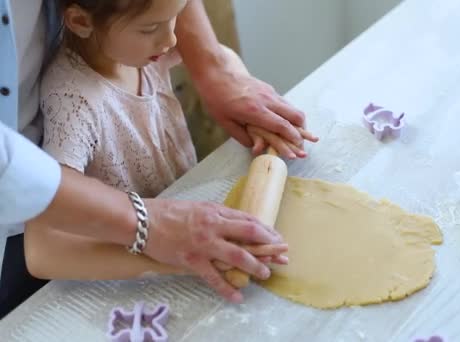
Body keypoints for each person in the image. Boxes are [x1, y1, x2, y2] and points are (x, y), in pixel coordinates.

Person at [0, 0, 314, 319]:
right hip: (128, 280)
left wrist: (228, 79)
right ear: (81, 21)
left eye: (177, 16)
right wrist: (177, 256)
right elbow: (41, 252)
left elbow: (223, 57)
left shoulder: (136, 48)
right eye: (151, 27)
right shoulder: (74, 102)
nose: (172, 41)